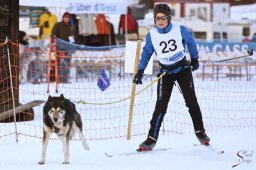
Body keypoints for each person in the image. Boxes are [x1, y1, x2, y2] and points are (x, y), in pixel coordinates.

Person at [133, 4, 210, 151]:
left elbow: (191, 43)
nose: (160, 21)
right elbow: (146, 54)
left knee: (191, 102)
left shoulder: (179, 29)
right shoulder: (152, 35)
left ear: (169, 18)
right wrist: (140, 71)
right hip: (166, 73)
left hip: (182, 70)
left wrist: (194, 59)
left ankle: (200, 132)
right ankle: (151, 139)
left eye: (163, 18)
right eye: (157, 18)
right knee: (160, 107)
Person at [51, 12, 75, 83]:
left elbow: (73, 37)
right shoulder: (58, 25)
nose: (67, 18)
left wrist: (73, 47)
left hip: (68, 48)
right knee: (60, 64)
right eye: (65, 17)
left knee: (67, 64)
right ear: (63, 17)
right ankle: (60, 80)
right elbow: (52, 35)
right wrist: (53, 45)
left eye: (68, 17)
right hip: (59, 48)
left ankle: (65, 80)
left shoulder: (71, 26)